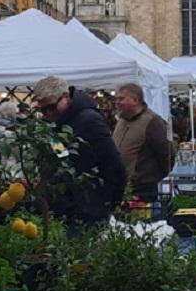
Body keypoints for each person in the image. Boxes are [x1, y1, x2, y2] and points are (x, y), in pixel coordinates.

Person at [32, 75, 126, 225]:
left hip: (86, 211)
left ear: (65, 97)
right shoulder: (53, 125)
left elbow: (113, 164)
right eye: (43, 110)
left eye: (51, 107)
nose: (48, 113)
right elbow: (61, 156)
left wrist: (108, 204)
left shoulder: (89, 121)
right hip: (63, 209)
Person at [111, 83, 173, 201]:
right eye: (117, 99)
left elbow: (167, 154)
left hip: (143, 190)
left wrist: (149, 177)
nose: (117, 102)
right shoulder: (122, 120)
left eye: (121, 98)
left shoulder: (153, 122)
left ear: (135, 100)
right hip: (120, 185)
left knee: (142, 219)